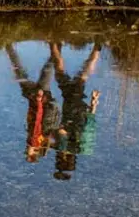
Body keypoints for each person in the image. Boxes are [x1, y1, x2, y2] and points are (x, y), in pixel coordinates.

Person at [51, 42, 102, 181]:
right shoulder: (63, 147)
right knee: (60, 73)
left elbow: (90, 125)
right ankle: (53, 42)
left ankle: (97, 50)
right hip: (71, 103)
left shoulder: (82, 148)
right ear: (62, 159)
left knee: (82, 76)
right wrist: (51, 139)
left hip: (80, 106)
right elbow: (61, 131)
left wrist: (93, 103)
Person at [6, 44, 61, 163]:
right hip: (38, 98)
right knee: (24, 73)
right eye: (30, 151)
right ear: (36, 149)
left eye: (27, 151)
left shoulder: (41, 139)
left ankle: (57, 46)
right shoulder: (35, 140)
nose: (28, 149)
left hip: (40, 98)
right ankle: (8, 46)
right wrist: (39, 100)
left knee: (45, 70)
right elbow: (37, 119)